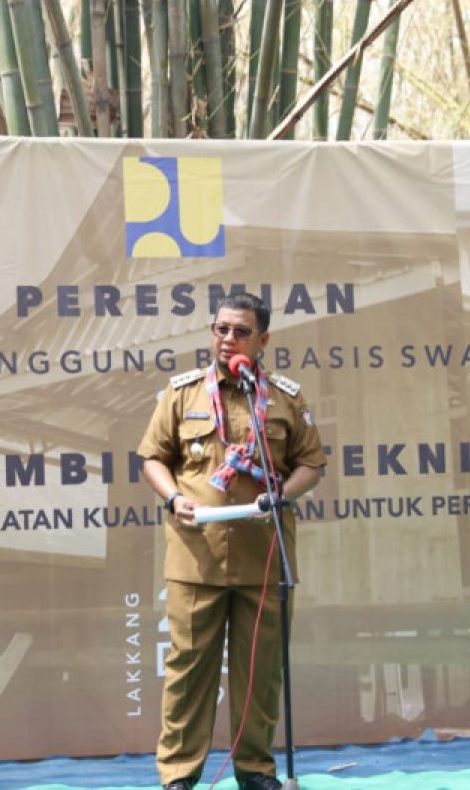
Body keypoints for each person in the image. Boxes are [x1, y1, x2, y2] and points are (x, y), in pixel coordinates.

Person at [137, 292, 325, 790]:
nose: (228, 339)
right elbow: (153, 458)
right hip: (196, 557)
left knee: (260, 672)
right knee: (188, 669)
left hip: (262, 557)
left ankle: (256, 771)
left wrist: (282, 493)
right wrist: (173, 496)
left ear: (263, 339)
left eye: (241, 331)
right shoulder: (183, 393)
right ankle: (178, 775)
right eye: (221, 329)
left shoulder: (284, 398)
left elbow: (311, 464)